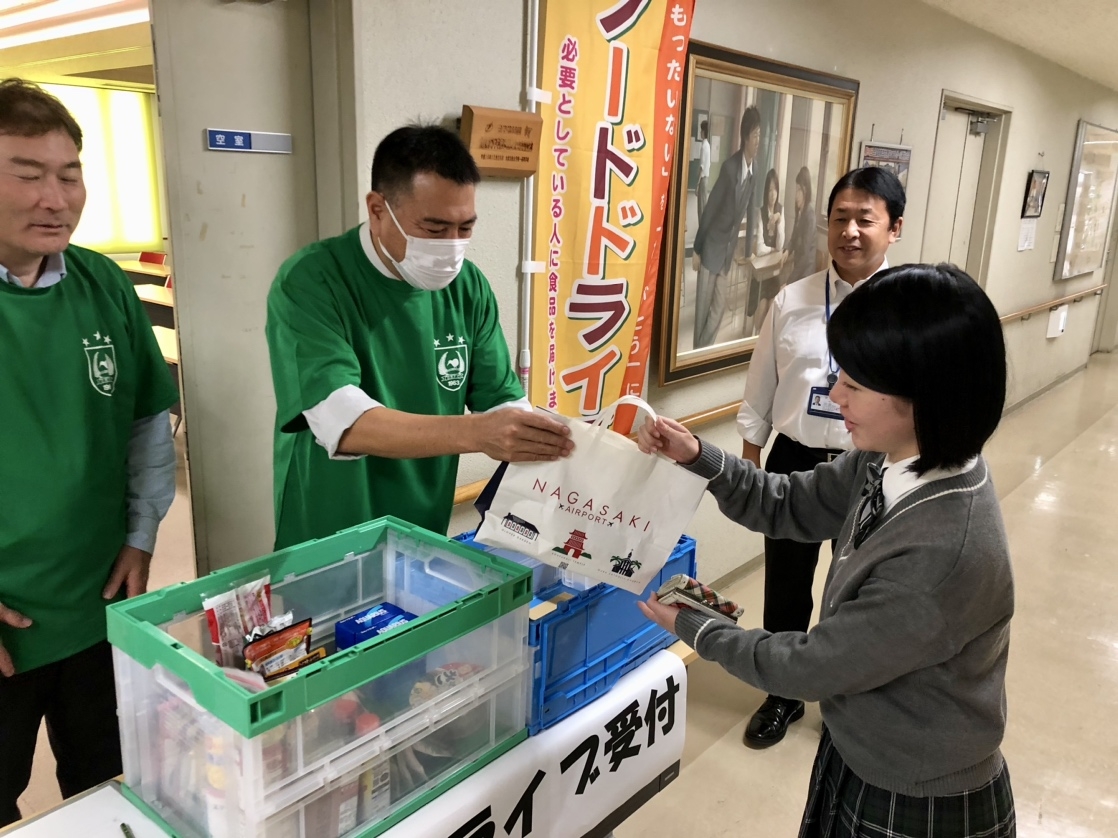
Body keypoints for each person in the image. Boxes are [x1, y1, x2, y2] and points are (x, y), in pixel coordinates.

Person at [638, 263, 1016, 838]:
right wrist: (698, 457)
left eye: (856, 386)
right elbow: (787, 502)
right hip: (862, 746)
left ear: (927, 397)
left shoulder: (944, 550)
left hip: (915, 791)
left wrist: (699, 630)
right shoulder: (888, 458)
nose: (834, 393)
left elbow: (814, 666)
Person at [0, 79, 179, 826]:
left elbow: (146, 416)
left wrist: (141, 534)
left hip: (100, 601)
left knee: (107, 779)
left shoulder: (102, 283)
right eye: (27, 173)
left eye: (69, 174)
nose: (56, 197)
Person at [266, 125, 572, 550]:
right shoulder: (312, 281)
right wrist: (479, 433)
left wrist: (548, 437)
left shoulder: (469, 287)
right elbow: (344, 422)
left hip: (422, 524)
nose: (452, 246)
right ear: (377, 209)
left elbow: (500, 398)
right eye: (434, 228)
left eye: (465, 228)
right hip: (331, 524)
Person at [735, 166, 904, 750]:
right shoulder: (793, 299)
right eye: (840, 219)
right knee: (786, 583)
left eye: (866, 219)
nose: (850, 231)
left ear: (894, 228)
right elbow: (761, 384)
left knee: (860, 584)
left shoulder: (909, 307)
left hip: (874, 461)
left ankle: (849, 690)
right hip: (797, 458)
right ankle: (783, 691)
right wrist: (752, 454)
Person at [690, 106, 761, 349]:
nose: (758, 141)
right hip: (711, 246)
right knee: (702, 309)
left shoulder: (753, 171)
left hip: (727, 253)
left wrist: (750, 246)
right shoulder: (730, 168)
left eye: (760, 135)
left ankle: (702, 350)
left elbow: (752, 209)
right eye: (755, 135)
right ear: (745, 137)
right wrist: (697, 250)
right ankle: (694, 355)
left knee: (718, 309)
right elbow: (709, 208)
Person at [749, 167, 785, 330]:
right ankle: (754, 340)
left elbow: (780, 245)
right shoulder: (760, 212)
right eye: (770, 190)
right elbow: (760, 248)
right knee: (762, 305)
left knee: (773, 305)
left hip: (773, 273)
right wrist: (772, 250)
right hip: (761, 274)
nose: (773, 194)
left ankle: (764, 340)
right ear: (766, 192)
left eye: (775, 190)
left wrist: (778, 222)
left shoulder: (781, 211)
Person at [780, 166, 818, 286]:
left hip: (805, 274)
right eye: (795, 190)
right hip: (798, 270)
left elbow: (804, 257)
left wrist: (789, 282)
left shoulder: (809, 215)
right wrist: (787, 250)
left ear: (805, 191)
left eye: (798, 190)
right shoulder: (800, 211)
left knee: (783, 289)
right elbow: (794, 237)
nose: (796, 195)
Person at [696, 119, 711, 220]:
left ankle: (702, 232)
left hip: (702, 179)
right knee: (703, 206)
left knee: (701, 208)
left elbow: (701, 167)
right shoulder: (708, 145)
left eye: (701, 131)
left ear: (704, 132)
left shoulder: (704, 146)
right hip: (706, 179)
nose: (700, 132)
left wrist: (697, 184)